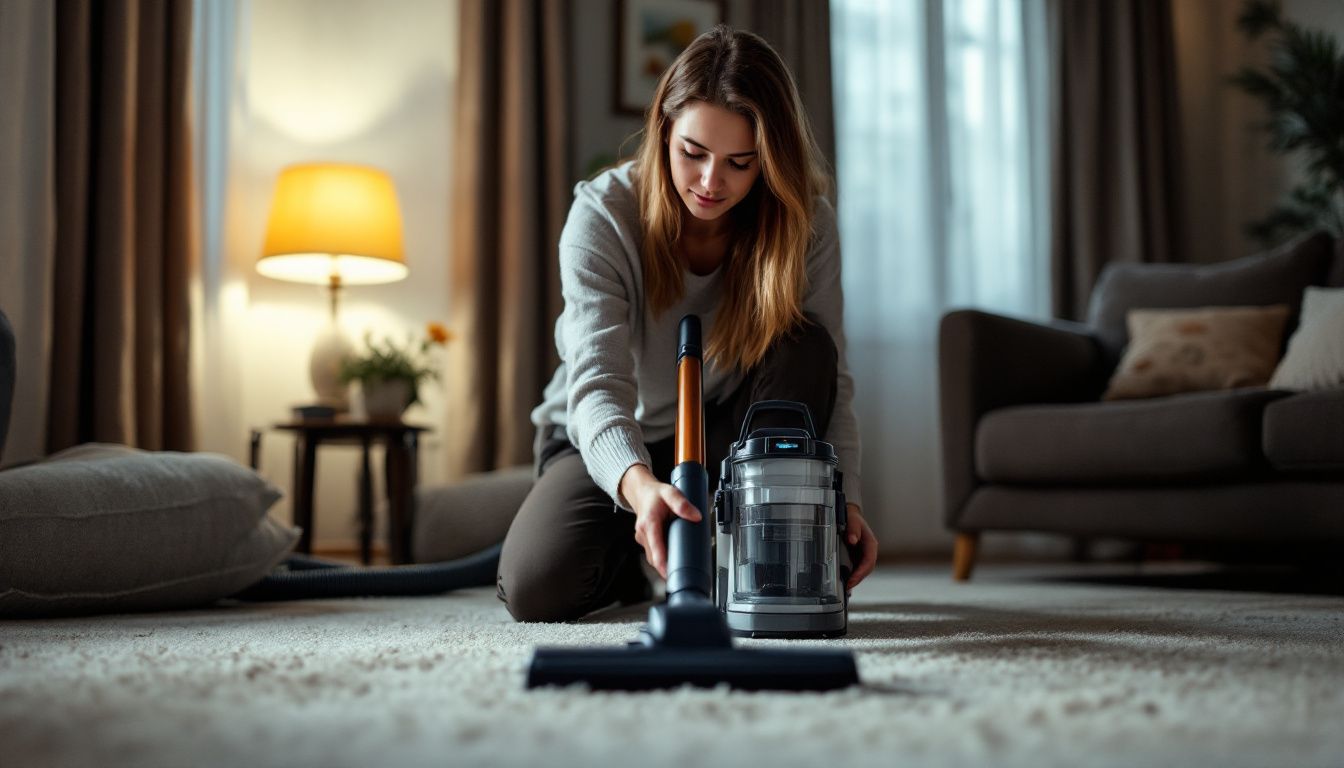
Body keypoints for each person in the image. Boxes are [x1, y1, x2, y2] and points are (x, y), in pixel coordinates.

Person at [497, 25, 877, 622]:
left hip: (730, 433)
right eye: (692, 153)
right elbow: (596, 383)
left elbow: (833, 378)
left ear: (768, 162)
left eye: (739, 163)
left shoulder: (807, 224)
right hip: (610, 437)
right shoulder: (602, 215)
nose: (709, 182)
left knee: (807, 344)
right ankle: (635, 554)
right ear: (663, 132)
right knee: (536, 588)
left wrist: (843, 498)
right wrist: (640, 488)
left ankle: (756, 551)